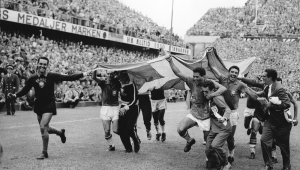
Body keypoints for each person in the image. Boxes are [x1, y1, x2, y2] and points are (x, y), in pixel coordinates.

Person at [10, 57, 90, 160]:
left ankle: (44, 152)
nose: (42, 66)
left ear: (47, 66)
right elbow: (25, 89)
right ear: (37, 64)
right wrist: (15, 95)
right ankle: (60, 133)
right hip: (38, 104)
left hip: (49, 103)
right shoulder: (32, 78)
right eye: (41, 64)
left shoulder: (52, 76)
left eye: (45, 64)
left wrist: (84, 74)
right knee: (45, 128)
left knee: (43, 126)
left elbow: (69, 77)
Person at [165, 51, 226, 153]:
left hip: (206, 116)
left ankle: (210, 160)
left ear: (203, 76)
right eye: (194, 76)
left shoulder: (210, 83)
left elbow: (223, 88)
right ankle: (189, 140)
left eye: (197, 76)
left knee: (208, 143)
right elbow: (178, 73)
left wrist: (211, 95)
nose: (195, 78)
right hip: (194, 113)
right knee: (180, 129)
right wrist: (170, 61)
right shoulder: (191, 81)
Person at [211, 65, 250, 166]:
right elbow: (213, 68)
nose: (233, 74)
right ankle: (214, 155)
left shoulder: (240, 84)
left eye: (236, 73)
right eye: (232, 72)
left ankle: (231, 154)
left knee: (230, 136)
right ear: (228, 72)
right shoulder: (222, 79)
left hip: (232, 113)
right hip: (220, 112)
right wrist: (210, 52)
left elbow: (248, 92)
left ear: (238, 74)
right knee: (216, 134)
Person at [257, 69, 292, 170]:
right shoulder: (268, 86)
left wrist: (270, 105)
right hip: (270, 121)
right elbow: (261, 94)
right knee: (264, 140)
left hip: (282, 123)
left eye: (264, 76)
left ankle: (286, 166)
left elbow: (287, 104)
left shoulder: (279, 88)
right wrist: (246, 89)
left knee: (284, 147)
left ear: (270, 78)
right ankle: (268, 165)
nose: (262, 77)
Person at [202, 80, 232, 170]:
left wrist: (225, 117)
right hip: (214, 128)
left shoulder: (216, 98)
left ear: (212, 91)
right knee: (208, 149)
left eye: (206, 92)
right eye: (203, 92)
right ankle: (216, 165)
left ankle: (226, 164)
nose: (204, 94)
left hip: (224, 128)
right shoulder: (209, 99)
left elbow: (227, 109)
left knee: (215, 145)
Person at [92, 70, 121, 151]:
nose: (108, 76)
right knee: (107, 130)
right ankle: (111, 145)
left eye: (111, 74)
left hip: (115, 107)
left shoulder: (117, 83)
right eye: (108, 74)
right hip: (105, 108)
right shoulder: (103, 83)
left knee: (116, 130)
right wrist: (95, 68)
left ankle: (131, 135)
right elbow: (93, 77)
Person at [118, 71, 140, 153]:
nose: (121, 80)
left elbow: (134, 100)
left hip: (132, 108)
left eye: (122, 78)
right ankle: (128, 148)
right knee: (121, 130)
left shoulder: (132, 85)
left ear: (126, 77)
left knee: (130, 128)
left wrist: (126, 107)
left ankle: (135, 140)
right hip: (123, 107)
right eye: (120, 78)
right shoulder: (119, 83)